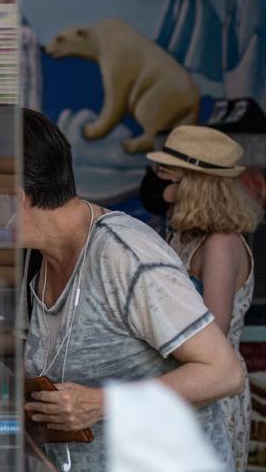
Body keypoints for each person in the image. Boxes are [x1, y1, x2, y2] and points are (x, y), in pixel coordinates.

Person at [16, 109, 243, 471]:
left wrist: (104, 403)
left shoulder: (125, 253)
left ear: (16, 198)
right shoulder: (36, 258)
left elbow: (224, 372)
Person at [146, 125, 261, 471]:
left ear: (193, 181)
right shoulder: (179, 235)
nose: (157, 176)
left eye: (166, 170)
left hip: (208, 393)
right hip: (177, 387)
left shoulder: (221, 244)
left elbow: (214, 335)